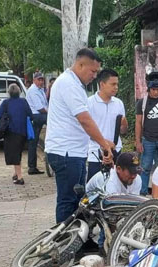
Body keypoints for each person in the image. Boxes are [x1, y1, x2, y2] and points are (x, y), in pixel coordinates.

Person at [45, 48, 115, 223]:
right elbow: (84, 120)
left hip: (72, 152)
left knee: (77, 200)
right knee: (68, 200)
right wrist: (104, 145)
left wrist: (102, 141)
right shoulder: (69, 84)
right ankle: (62, 242)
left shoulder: (75, 85)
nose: (94, 76)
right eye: (93, 71)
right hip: (66, 153)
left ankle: (75, 239)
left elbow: (82, 124)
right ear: (80, 64)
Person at [87, 68, 128, 180]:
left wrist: (124, 124)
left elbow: (123, 131)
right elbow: (86, 130)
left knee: (116, 186)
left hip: (116, 151)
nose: (116, 87)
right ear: (102, 84)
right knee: (94, 187)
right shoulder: (89, 103)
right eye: (113, 84)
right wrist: (104, 142)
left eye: (117, 84)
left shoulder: (118, 103)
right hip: (96, 153)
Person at [0, 84, 33, 185]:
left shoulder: (6, 103)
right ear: (19, 92)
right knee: (18, 153)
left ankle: (20, 177)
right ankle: (16, 173)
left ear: (9, 93)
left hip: (11, 132)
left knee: (14, 154)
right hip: (23, 132)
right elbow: (30, 114)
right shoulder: (23, 102)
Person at [26, 72, 48, 175]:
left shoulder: (41, 90)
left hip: (40, 115)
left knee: (33, 142)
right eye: (39, 80)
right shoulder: (33, 90)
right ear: (34, 80)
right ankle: (32, 166)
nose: (41, 82)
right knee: (33, 142)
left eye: (42, 80)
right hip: (36, 116)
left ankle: (32, 166)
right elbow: (40, 108)